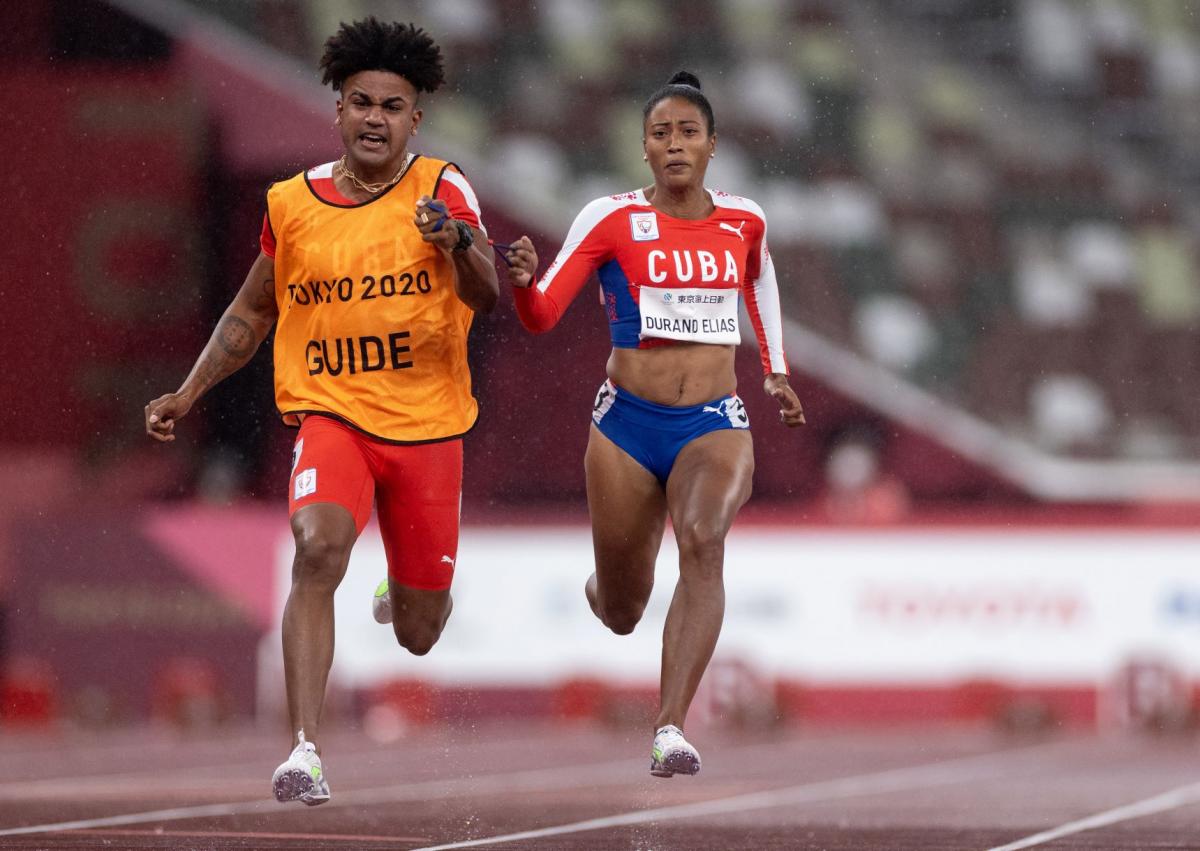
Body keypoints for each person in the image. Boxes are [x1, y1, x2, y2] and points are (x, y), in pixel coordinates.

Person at [144, 18, 498, 805]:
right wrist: (189, 390)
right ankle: (305, 749)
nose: (376, 118)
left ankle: (403, 589)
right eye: (361, 102)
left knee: (419, 629)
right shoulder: (290, 204)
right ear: (337, 109)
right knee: (315, 547)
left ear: (417, 119)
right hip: (331, 416)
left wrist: (455, 245)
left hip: (428, 428)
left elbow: (488, 293)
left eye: (393, 106)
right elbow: (250, 311)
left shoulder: (442, 188)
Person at [501, 71, 805, 777]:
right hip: (626, 427)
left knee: (703, 538)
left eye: (688, 132)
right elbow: (543, 314)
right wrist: (520, 281)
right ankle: (602, 588)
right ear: (644, 148)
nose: (675, 145)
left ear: (711, 145)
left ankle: (669, 726)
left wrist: (776, 369)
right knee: (622, 609)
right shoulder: (608, 219)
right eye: (661, 133)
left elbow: (759, 281)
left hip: (713, 420)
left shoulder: (744, 220)